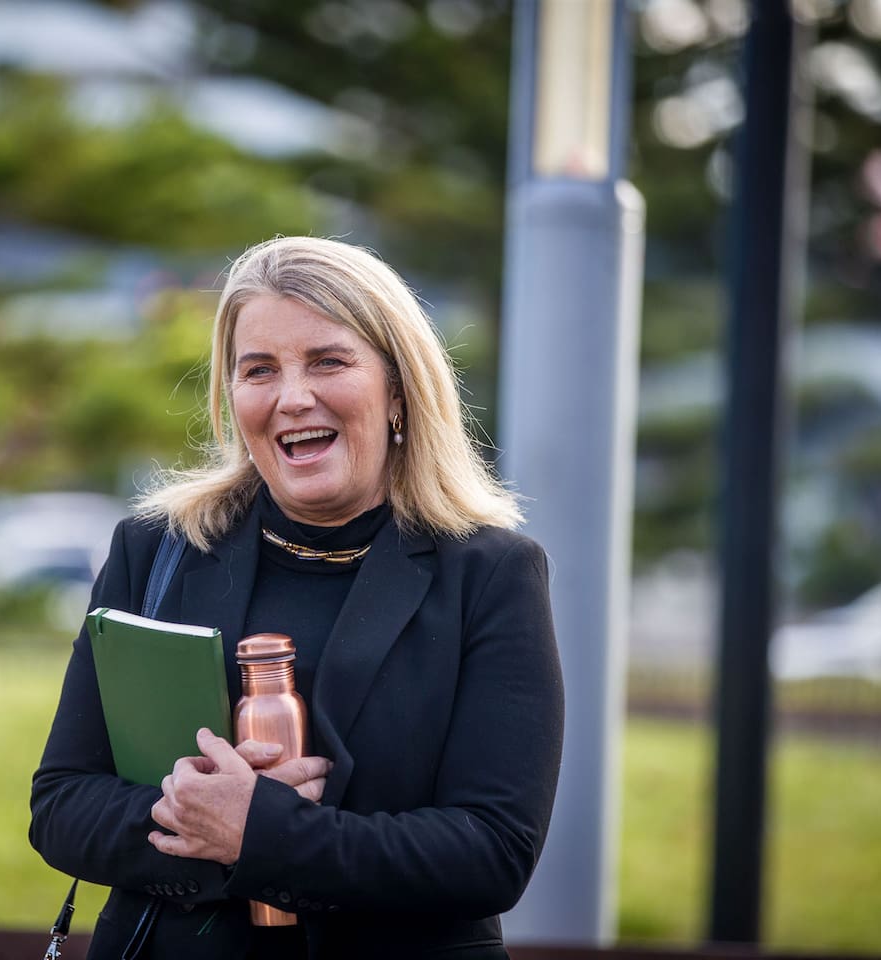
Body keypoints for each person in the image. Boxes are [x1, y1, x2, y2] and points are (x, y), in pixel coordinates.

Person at [30, 236, 563, 960]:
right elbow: (62, 804)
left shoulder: (490, 574)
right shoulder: (156, 551)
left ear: (398, 388)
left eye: (328, 361)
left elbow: (492, 852)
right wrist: (194, 817)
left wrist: (263, 833)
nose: (291, 398)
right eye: (259, 371)